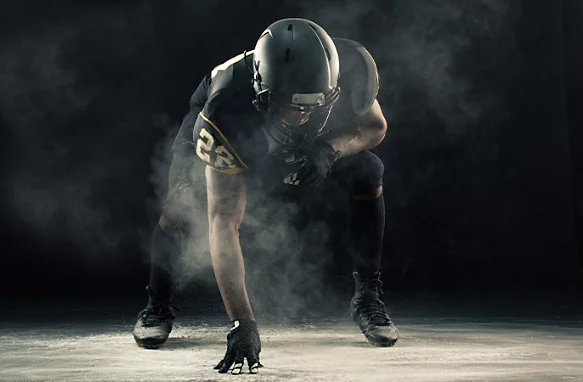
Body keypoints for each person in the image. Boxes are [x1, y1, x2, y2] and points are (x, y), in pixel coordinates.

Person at [132, 18, 399, 374]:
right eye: (294, 105)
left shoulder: (351, 68)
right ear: (263, 91)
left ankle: (367, 295)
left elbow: (375, 126)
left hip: (310, 138)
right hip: (239, 132)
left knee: (369, 172)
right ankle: (158, 303)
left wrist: (330, 148)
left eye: (314, 105)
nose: (304, 115)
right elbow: (223, 222)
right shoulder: (225, 110)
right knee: (182, 207)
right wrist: (243, 322)